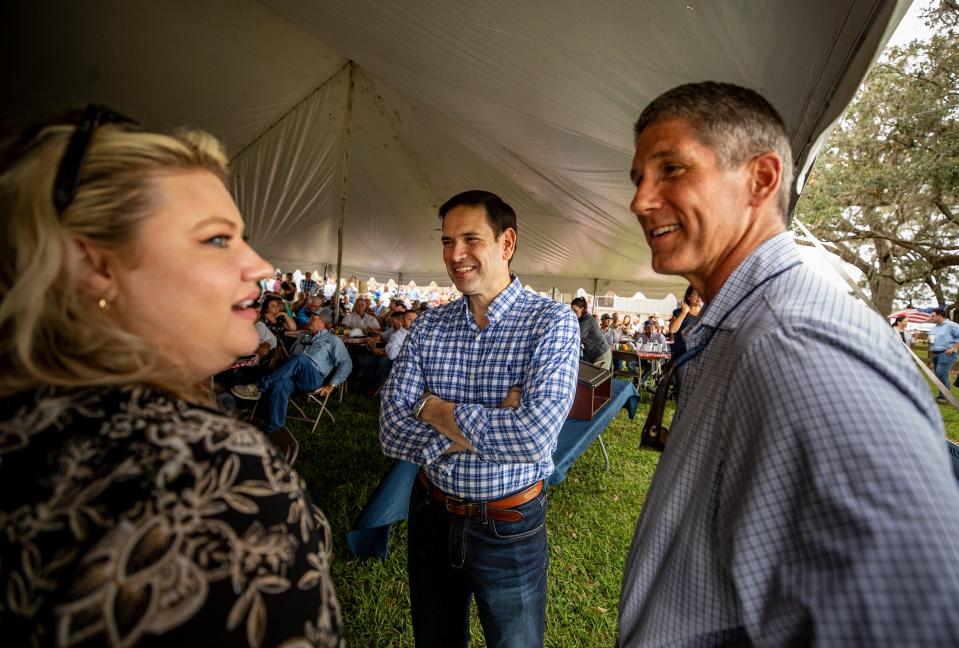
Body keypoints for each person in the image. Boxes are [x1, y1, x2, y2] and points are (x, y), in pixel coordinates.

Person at [618, 82, 959, 646]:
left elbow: (914, 621)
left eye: (672, 170)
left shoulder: (795, 348)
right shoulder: (750, 325)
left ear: (761, 179)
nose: (640, 201)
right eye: (638, 180)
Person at [0, 106, 343, 645]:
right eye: (216, 240)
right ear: (98, 266)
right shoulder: (206, 473)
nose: (260, 267)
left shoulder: (26, 426)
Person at [380, 190, 579, 647]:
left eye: (471, 239)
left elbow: (533, 438)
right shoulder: (430, 324)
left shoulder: (550, 323)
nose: (455, 254)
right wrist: (482, 427)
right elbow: (390, 428)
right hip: (430, 512)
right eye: (447, 241)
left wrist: (432, 409)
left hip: (508, 524)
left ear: (506, 243)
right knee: (435, 640)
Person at [233, 312, 352, 436]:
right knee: (280, 384)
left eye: (313, 318)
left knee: (301, 359)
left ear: (323, 322)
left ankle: (257, 387)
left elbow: (346, 364)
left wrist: (331, 385)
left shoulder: (333, 340)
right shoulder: (303, 336)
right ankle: (274, 431)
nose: (309, 320)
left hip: (312, 378)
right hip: (292, 376)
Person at [928, 307, 959, 402]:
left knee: (941, 373)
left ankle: (945, 396)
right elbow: (932, 339)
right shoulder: (934, 327)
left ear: (940, 316)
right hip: (935, 353)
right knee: (938, 374)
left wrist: (954, 348)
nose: (931, 317)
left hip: (946, 353)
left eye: (933, 316)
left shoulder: (952, 325)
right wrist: (929, 340)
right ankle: (942, 395)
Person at [570, 296, 611, 369]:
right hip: (593, 354)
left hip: (602, 354)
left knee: (599, 379)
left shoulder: (587, 321)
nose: (573, 313)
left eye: (575, 311)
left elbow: (575, 338)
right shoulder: (581, 319)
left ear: (582, 309)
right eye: (571, 311)